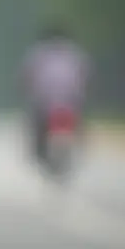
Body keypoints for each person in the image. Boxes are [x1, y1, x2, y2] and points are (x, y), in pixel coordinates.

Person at [19, 24, 91, 162]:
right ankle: (80, 144)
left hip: (45, 100)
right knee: (80, 121)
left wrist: (24, 91)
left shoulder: (38, 53)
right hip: (72, 99)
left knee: (36, 123)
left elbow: (26, 76)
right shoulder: (75, 53)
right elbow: (86, 76)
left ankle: (38, 149)